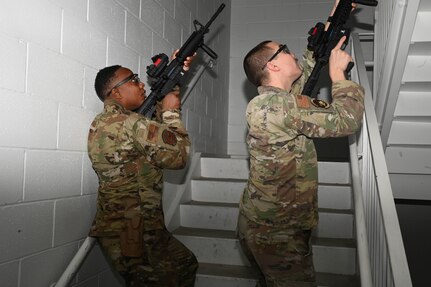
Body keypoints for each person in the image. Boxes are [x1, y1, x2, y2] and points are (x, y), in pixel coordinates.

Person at [237, 1, 365, 286]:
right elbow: (346, 120)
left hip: (272, 223)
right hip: (276, 231)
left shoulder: (280, 99)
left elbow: (307, 65)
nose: (292, 52)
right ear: (272, 64)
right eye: (285, 50)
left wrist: (334, 19)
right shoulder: (275, 106)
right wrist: (338, 77)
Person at [87, 52, 198, 286]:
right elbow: (178, 157)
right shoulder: (132, 123)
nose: (140, 84)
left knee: (184, 264)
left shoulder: (105, 122)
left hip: (133, 225)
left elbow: (149, 135)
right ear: (116, 92)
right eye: (134, 80)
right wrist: (171, 112)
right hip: (133, 231)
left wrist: (174, 78)